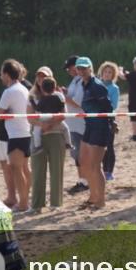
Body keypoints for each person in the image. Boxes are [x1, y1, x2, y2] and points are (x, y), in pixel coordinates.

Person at [75, 57, 113, 209]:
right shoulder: (83, 84)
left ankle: (101, 200)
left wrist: (112, 123)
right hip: (89, 126)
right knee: (83, 161)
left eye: (84, 68)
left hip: (100, 127)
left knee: (95, 165)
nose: (82, 71)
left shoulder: (97, 86)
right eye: (79, 68)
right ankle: (93, 196)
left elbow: (108, 108)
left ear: (90, 69)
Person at [0, 60, 31, 211]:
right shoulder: (23, 88)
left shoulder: (9, 91)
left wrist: (5, 113)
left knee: (17, 169)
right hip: (25, 132)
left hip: (16, 135)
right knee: (23, 168)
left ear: (8, 75)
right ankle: (26, 200)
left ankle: (23, 204)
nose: (0, 76)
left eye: (2, 73)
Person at [29, 76, 66, 211]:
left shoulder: (59, 96)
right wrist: (41, 125)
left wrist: (49, 124)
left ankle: (56, 203)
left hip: (56, 135)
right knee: (37, 171)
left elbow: (63, 114)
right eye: (38, 77)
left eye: (44, 77)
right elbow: (29, 117)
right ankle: (36, 205)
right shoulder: (32, 96)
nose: (40, 80)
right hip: (39, 136)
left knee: (56, 170)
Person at [63, 56, 89, 196]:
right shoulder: (75, 80)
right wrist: (66, 93)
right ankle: (82, 180)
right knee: (76, 155)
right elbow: (72, 97)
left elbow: (79, 102)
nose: (69, 71)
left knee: (82, 155)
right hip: (73, 123)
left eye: (70, 68)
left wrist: (65, 98)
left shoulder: (83, 82)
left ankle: (85, 182)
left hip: (81, 124)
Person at [98, 61, 121, 181]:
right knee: (99, 145)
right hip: (97, 118)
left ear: (113, 74)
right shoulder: (97, 85)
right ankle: (101, 169)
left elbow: (114, 105)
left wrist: (102, 104)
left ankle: (109, 171)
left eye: (110, 72)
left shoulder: (114, 88)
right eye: (105, 72)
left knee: (109, 145)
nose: (107, 74)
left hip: (108, 118)